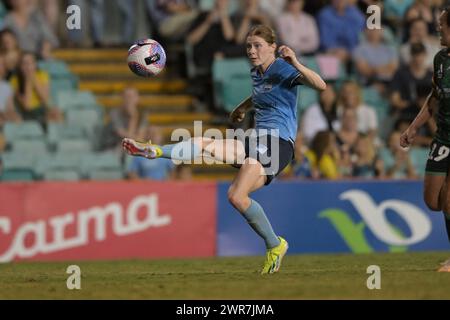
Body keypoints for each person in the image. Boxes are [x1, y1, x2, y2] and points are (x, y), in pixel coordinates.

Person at [122, 25, 326, 274]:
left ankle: (275, 244)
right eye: (249, 45)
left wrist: (295, 61)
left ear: (273, 47)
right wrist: (242, 107)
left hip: (277, 144)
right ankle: (155, 151)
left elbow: (321, 85)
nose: (251, 50)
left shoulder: (283, 69)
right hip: (256, 139)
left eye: (258, 46)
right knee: (206, 145)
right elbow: (261, 95)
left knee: (236, 195)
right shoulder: (257, 73)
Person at [400, 7, 450, 272]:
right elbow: (434, 98)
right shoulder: (441, 59)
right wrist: (413, 127)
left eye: (442, 24)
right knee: (433, 201)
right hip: (443, 138)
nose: (438, 28)